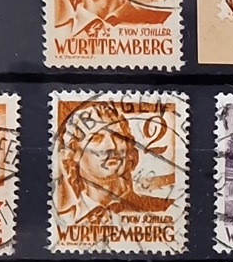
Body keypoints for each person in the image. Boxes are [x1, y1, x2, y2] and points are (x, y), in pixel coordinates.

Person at [54, 102, 175, 244]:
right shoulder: (61, 220)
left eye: (118, 137)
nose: (111, 146)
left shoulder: (165, 210)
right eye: (96, 138)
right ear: (74, 153)